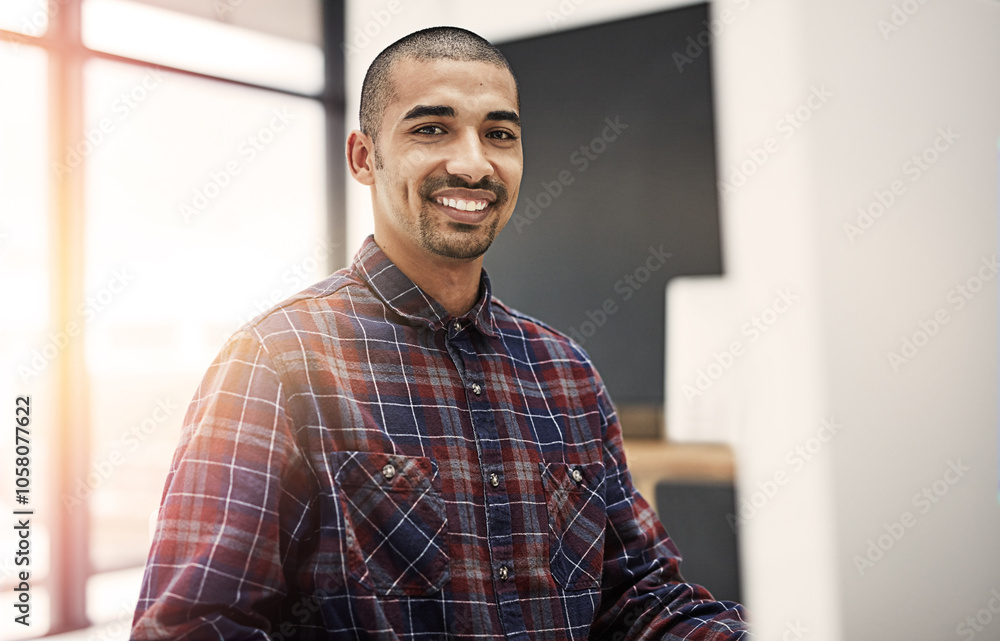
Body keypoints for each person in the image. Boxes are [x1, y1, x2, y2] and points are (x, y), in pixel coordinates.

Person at [131, 26, 750, 641]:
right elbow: (193, 626)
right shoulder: (275, 361)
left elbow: (638, 597)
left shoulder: (566, 371)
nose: (473, 163)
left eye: (499, 134)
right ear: (363, 157)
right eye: (432, 129)